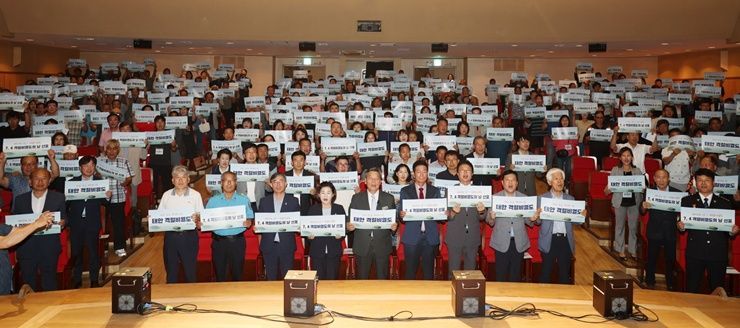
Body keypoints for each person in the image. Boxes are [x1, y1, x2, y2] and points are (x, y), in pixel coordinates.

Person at [678, 168, 738, 293]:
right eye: (700, 180)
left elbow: (729, 231)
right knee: (691, 289)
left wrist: (733, 231)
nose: (703, 183)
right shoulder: (687, 201)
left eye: (707, 180)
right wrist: (680, 226)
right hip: (695, 252)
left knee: (717, 290)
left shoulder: (724, 203)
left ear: (713, 183)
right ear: (696, 182)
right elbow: (682, 227)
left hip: (717, 253)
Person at [11, 168, 66, 291]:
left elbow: (64, 218)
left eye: (44, 178)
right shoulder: (20, 199)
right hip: (26, 248)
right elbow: (15, 223)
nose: (40, 182)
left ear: (49, 181)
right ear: (30, 181)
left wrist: (63, 222)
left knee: (50, 282)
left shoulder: (59, 197)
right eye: (36, 178)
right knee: (28, 282)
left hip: (49, 247)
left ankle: (50, 308)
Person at [66, 156, 111, 288]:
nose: (89, 168)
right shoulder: (72, 182)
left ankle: (94, 279)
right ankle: (77, 279)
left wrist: (107, 197)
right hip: (76, 222)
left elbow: (103, 203)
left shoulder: (100, 182)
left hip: (92, 222)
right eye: (86, 166)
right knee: (76, 252)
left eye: (92, 166)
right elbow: (66, 203)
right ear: (80, 168)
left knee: (93, 253)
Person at [535, 168, 585, 284]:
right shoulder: (542, 199)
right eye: (556, 179)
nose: (559, 181)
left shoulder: (570, 199)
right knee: (546, 272)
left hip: (565, 240)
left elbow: (577, 222)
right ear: (549, 182)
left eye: (561, 178)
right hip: (549, 239)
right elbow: (537, 222)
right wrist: (536, 216)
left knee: (564, 274)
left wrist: (582, 217)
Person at [487, 169, 536, 282]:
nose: (510, 183)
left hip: (519, 242)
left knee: (516, 275)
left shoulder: (524, 199)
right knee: (501, 274)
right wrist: (492, 217)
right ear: (502, 183)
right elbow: (489, 221)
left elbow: (529, 221)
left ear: (517, 183)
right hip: (501, 242)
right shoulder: (495, 198)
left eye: (513, 180)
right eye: (507, 180)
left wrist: (532, 219)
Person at [157, 165, 204, 283]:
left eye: (184, 177)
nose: (180, 180)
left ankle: (192, 297)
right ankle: (171, 298)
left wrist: (198, 218)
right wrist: (153, 219)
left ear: (188, 179)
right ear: (172, 180)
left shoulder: (195, 195)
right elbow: (159, 216)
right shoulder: (166, 195)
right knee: (171, 271)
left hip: (189, 236)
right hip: (171, 236)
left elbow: (202, 218)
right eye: (177, 177)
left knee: (190, 271)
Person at [348, 168, 397, 279]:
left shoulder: (389, 199)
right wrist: (348, 226)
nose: (373, 181)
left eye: (377, 179)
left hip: (382, 246)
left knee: (382, 280)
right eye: (370, 178)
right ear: (365, 181)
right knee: (362, 281)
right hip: (362, 246)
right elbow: (349, 219)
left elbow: (395, 220)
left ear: (381, 182)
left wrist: (394, 226)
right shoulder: (356, 198)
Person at [206, 171, 254, 282]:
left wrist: (249, 222)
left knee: (237, 274)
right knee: (220, 274)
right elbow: (206, 219)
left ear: (236, 183)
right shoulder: (213, 201)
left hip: (237, 242)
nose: (229, 183)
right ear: (221, 183)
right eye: (226, 181)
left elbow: (250, 217)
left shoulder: (244, 200)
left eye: (231, 180)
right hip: (219, 243)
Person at [399, 160, 442, 280]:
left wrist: (443, 213)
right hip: (412, 236)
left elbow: (440, 216)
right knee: (410, 272)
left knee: (429, 273)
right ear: (413, 174)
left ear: (428, 173)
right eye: (418, 171)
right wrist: (401, 214)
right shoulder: (405, 191)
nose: (422, 174)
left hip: (430, 236)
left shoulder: (435, 191)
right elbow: (400, 213)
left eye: (424, 171)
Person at [445, 161, 486, 278]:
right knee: (453, 272)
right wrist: (452, 212)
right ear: (457, 174)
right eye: (462, 170)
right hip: (454, 237)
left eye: (468, 170)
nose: (465, 173)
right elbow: (445, 216)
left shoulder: (480, 192)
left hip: (472, 237)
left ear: (472, 173)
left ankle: (470, 295)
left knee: (471, 273)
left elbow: (483, 216)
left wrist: (482, 211)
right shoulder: (450, 191)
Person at [642, 169, 681, 290]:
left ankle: (670, 283)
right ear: (654, 179)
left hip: (671, 230)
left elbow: (683, 213)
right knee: (651, 258)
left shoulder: (678, 193)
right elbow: (642, 211)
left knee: (670, 259)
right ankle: (649, 282)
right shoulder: (649, 192)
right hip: (654, 230)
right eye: (658, 177)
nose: (661, 180)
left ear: (668, 179)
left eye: (664, 177)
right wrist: (643, 207)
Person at [258, 173, 300, 280]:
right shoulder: (264, 201)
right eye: (275, 182)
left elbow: (298, 222)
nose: (278, 184)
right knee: (271, 278)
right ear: (271, 185)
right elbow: (260, 224)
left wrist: (299, 226)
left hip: (286, 245)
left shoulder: (293, 201)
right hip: (268, 245)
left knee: (287, 278)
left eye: (281, 181)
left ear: (286, 184)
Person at [605, 147, 644, 261]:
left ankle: (632, 250)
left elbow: (642, 188)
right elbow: (609, 188)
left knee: (633, 227)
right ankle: (620, 250)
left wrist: (642, 189)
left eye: (628, 156)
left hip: (634, 202)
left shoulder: (637, 171)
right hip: (620, 201)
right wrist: (609, 189)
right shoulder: (615, 170)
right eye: (624, 156)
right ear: (620, 158)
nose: (626, 158)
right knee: (620, 226)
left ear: (632, 157)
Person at [0, 212, 54, 295]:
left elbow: (16, 231)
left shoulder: (1, 227)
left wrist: (37, 223)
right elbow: (5, 242)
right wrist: (36, 224)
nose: (0, 209)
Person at [98, 139, 133, 257]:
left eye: (114, 148)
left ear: (118, 150)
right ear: (105, 150)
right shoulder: (99, 161)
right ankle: (104, 247)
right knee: (101, 224)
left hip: (118, 196)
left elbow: (129, 178)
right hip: (102, 197)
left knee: (118, 223)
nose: (111, 151)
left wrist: (126, 182)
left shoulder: (124, 161)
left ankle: (120, 247)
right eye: (109, 148)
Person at [306, 182, 346, 280]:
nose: (325, 195)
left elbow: (344, 229)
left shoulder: (339, 208)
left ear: (333, 194)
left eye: (328, 192)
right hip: (317, 251)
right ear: (318, 195)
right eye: (322, 192)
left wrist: (341, 235)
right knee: (318, 281)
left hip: (334, 250)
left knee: (332, 281)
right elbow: (307, 229)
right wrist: (309, 236)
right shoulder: (312, 210)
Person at [285, 150, 317, 215]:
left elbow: (316, 196)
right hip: (287, 208)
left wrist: (314, 193)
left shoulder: (311, 176)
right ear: (292, 162)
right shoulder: (285, 176)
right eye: (295, 160)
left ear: (305, 162)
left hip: (306, 209)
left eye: (301, 160)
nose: (298, 163)